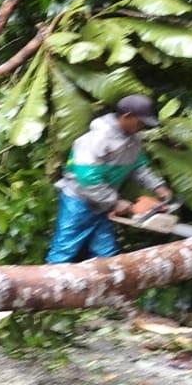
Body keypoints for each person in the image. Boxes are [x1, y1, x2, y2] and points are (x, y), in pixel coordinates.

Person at [45, 94, 175, 264]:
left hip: (103, 205)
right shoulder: (97, 138)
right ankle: (50, 279)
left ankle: (104, 280)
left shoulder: (133, 141)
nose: (142, 127)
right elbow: (88, 178)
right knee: (64, 251)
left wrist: (159, 187)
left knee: (106, 254)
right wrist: (116, 202)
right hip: (78, 201)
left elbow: (139, 167)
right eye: (140, 122)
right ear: (127, 116)